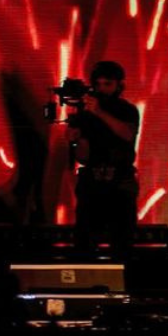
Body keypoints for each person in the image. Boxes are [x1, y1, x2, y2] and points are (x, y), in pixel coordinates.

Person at [67, 60, 140, 258]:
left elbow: (127, 134)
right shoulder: (85, 114)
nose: (102, 89)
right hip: (92, 181)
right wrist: (76, 140)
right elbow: (83, 156)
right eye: (98, 84)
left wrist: (99, 112)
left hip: (120, 182)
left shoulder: (128, 110)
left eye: (107, 84)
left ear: (118, 85)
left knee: (122, 240)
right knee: (85, 239)